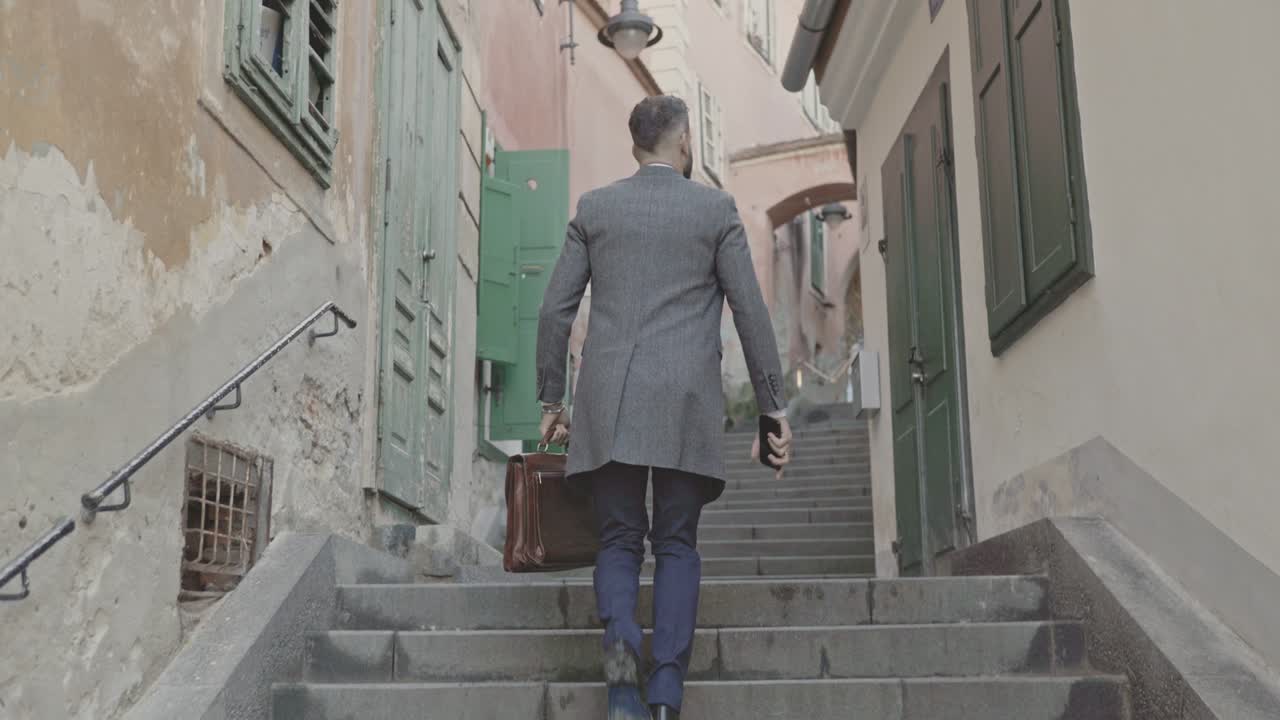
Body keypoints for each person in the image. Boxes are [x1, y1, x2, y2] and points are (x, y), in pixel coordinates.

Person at [535, 95, 793, 720]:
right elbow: (750, 312)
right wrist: (772, 407)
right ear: (684, 144)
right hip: (685, 399)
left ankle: (623, 672)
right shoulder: (714, 209)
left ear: (634, 147)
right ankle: (666, 695)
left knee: (619, 539)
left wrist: (551, 398)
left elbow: (553, 311)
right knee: (676, 542)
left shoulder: (596, 209)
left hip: (610, 397)